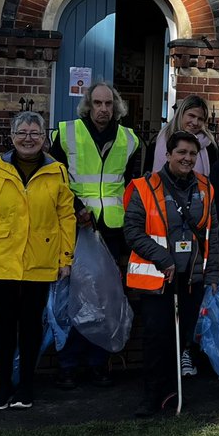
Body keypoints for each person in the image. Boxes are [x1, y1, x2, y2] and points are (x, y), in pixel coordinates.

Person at [0, 111, 75, 410]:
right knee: (3, 324)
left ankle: (26, 385)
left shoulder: (58, 172)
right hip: (1, 260)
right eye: (22, 133)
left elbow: (66, 217)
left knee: (30, 325)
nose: (28, 138)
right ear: (12, 137)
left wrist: (66, 258)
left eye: (35, 133)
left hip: (41, 260)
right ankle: (2, 385)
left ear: (44, 138)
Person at [49, 82, 142, 389]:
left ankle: (98, 363)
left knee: (106, 299)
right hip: (75, 226)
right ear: (88, 105)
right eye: (98, 103)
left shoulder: (130, 140)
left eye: (108, 104)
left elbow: (132, 185)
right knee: (72, 298)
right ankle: (68, 364)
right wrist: (76, 207)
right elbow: (54, 180)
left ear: (116, 107)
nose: (103, 109)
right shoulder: (66, 133)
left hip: (113, 229)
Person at [124, 130, 219, 416]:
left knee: (182, 337)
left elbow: (211, 233)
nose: (187, 158)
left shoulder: (205, 188)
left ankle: (172, 391)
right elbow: (132, 231)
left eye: (192, 154)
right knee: (156, 336)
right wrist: (162, 257)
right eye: (181, 153)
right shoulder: (144, 187)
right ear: (168, 154)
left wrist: (212, 274)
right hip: (157, 277)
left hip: (192, 277)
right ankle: (151, 395)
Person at [148, 95, 217, 176]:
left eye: (200, 119)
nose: (195, 122)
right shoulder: (159, 143)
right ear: (181, 114)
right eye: (192, 116)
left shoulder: (208, 146)